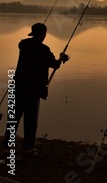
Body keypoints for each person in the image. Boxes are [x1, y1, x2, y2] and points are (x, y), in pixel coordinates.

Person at [2, 22, 69, 156]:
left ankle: (7, 148)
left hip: (17, 87)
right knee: (30, 121)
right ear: (43, 34)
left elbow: (25, 45)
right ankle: (28, 148)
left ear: (33, 34)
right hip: (33, 91)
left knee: (13, 118)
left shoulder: (23, 44)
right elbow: (55, 65)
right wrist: (62, 58)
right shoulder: (44, 50)